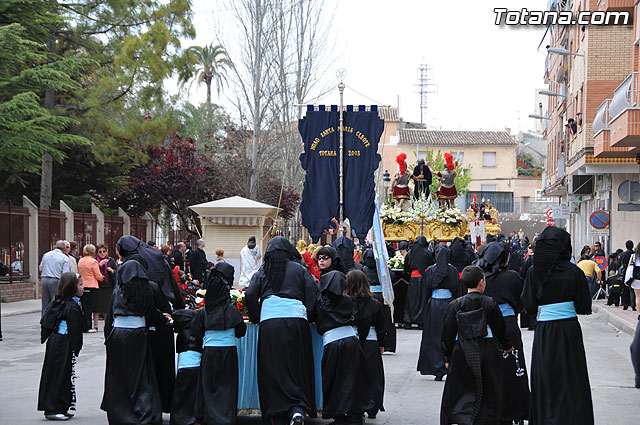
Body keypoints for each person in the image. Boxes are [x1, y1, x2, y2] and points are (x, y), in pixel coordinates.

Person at [521, 226, 594, 425]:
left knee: (546, 375)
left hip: (545, 330)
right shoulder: (575, 272)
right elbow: (583, 306)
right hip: (569, 329)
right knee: (572, 375)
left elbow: (528, 305)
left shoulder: (535, 272)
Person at [245, 237, 319, 425]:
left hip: (270, 323)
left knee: (272, 368)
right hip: (296, 321)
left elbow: (250, 294)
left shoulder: (263, 271)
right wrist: (309, 315)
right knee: (297, 366)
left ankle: (276, 413)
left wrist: (256, 317)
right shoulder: (299, 269)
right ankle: (298, 408)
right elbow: (312, 292)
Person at [440, 265, 513, 425]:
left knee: (463, 385)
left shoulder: (456, 304)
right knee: (490, 385)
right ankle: (487, 417)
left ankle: (462, 415)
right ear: (481, 282)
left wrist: (447, 354)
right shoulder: (489, 303)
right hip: (486, 348)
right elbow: (500, 328)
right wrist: (507, 345)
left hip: (462, 349)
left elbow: (448, 332)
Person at [100, 259, 170, 425]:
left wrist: (107, 339)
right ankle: (144, 412)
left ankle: (120, 414)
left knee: (119, 377)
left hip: (118, 336)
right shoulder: (146, 289)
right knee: (142, 376)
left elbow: (109, 318)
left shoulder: (118, 291)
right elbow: (152, 313)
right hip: (138, 335)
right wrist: (164, 320)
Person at [477, 242, 530, 424]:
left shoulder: (481, 277)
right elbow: (521, 302)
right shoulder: (512, 277)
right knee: (513, 369)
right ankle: (515, 411)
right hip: (508, 324)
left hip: (485, 325)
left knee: (488, 369)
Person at [317, 270, 374, 425]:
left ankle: (339, 415)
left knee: (334, 381)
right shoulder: (347, 301)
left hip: (332, 344)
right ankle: (355, 415)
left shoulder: (321, 302)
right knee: (354, 380)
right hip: (351, 341)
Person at [191, 269, 246, 425]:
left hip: (209, 351)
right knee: (227, 385)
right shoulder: (232, 310)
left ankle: (209, 416)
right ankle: (226, 417)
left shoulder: (204, 311)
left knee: (209, 385)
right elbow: (241, 331)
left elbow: (196, 331)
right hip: (228, 351)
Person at [38, 272, 84, 421]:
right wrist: (76, 346)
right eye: (80, 285)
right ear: (72, 287)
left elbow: (46, 322)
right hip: (62, 342)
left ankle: (61, 406)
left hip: (57, 341)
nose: (83, 288)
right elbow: (76, 329)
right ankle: (53, 408)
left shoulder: (60, 302)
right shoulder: (70, 306)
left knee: (62, 374)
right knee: (58, 374)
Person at [345, 269, 386, 419]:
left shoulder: (345, 303)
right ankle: (373, 405)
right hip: (371, 342)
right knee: (373, 376)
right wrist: (382, 344)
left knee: (353, 375)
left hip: (351, 341)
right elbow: (381, 326)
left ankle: (356, 406)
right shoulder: (375, 304)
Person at [417, 245, 462, 380]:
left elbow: (426, 289)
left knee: (434, 335)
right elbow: (456, 288)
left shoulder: (431, 270)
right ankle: (449, 364)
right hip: (449, 303)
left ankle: (437, 367)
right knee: (448, 334)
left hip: (435, 305)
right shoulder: (453, 270)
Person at [361, 248, 396, 352]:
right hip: (382, 296)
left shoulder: (363, 269)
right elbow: (392, 278)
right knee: (384, 320)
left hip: (369, 296)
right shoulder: (383, 268)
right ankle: (385, 344)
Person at [170, 309, 201, 425]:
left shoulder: (182, 334)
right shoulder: (195, 331)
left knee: (181, 393)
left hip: (184, 364)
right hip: (194, 364)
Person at [403, 236, 434, 329]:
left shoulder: (410, 253)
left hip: (413, 279)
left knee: (411, 300)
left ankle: (408, 321)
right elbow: (431, 265)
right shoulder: (427, 252)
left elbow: (406, 267)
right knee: (422, 300)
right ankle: (421, 322)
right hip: (423, 278)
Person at [77, 244, 104, 333]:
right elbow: (98, 275)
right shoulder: (93, 261)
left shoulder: (81, 260)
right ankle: (87, 327)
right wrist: (102, 277)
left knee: (83, 307)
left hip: (82, 285)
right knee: (89, 308)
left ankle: (82, 325)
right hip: (91, 285)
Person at [39, 240, 71, 314]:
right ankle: (54, 319)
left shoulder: (46, 255)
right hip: (55, 280)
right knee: (56, 302)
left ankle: (44, 319)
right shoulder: (64, 258)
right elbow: (65, 274)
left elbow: (41, 267)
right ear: (63, 248)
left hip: (44, 279)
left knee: (45, 302)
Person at [94, 244, 117, 320]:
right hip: (98, 286)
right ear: (97, 253)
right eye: (100, 251)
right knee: (98, 306)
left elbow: (117, 271)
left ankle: (107, 323)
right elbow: (92, 272)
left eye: (104, 251)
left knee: (107, 306)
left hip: (108, 286)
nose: (102, 253)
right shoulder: (95, 261)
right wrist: (99, 265)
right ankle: (96, 325)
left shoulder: (111, 260)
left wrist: (112, 270)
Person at [624, 242, 640, 318]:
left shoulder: (634, 256)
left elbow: (629, 267)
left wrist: (627, 279)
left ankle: (639, 313)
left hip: (636, 278)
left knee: (638, 296)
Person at [621, 240, 637, 311]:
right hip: (634, 273)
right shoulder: (635, 254)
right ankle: (633, 304)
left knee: (625, 289)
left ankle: (625, 305)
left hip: (626, 273)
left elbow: (620, 264)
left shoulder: (624, 254)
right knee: (632, 289)